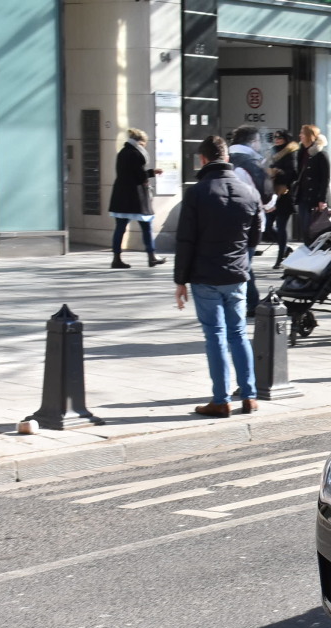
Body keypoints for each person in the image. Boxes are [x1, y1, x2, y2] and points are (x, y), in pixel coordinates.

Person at [173, 135, 260, 419]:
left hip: (205, 274)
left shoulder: (197, 193)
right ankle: (249, 396)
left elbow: (185, 239)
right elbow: (256, 235)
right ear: (228, 159)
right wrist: (241, 258)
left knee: (216, 336)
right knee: (238, 333)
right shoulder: (248, 191)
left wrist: (180, 280)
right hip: (236, 274)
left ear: (203, 159)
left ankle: (221, 400)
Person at [227, 125, 276, 317]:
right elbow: (267, 199)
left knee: (238, 262)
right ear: (254, 141)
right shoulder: (254, 163)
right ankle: (250, 301)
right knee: (244, 263)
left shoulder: (224, 159)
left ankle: (245, 300)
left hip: (221, 219)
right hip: (249, 221)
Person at [107, 128, 165, 269]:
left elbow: (129, 172)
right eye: (144, 144)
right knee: (146, 226)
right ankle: (151, 256)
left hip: (121, 194)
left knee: (120, 227)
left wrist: (148, 173)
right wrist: (151, 173)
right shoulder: (136, 153)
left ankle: (116, 258)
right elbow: (139, 175)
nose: (144, 146)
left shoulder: (122, 152)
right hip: (135, 195)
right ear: (140, 142)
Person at [265, 129, 300, 269]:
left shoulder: (291, 152)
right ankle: (285, 248)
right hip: (272, 192)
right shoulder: (273, 151)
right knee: (268, 226)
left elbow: (293, 173)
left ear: (286, 138)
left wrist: (278, 173)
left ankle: (280, 257)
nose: (277, 140)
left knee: (281, 226)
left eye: (280, 137)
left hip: (285, 193)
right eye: (275, 137)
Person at [293, 124, 331, 242]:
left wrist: (322, 200)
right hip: (303, 196)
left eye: (302, 133)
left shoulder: (321, 154)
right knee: (305, 229)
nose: (300, 136)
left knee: (313, 230)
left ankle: (314, 255)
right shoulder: (301, 153)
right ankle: (308, 253)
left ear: (310, 136)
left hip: (315, 198)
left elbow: (326, 178)